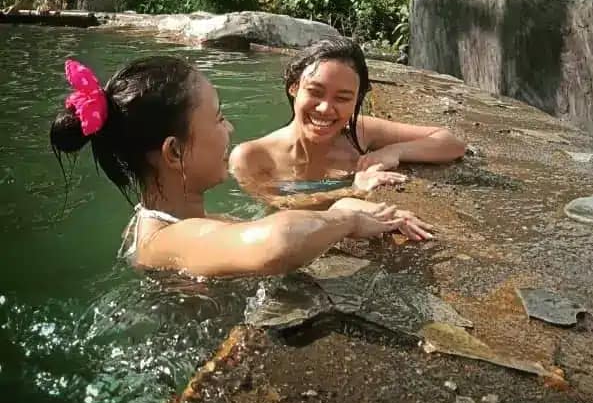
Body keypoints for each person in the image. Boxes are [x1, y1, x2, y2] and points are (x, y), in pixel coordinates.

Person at [50, 55, 433, 278]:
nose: (230, 128)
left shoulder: (169, 221)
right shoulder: (165, 239)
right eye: (218, 119)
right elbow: (279, 242)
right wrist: (344, 216)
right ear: (173, 153)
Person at [229, 38, 464, 234]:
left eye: (342, 98)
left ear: (357, 100)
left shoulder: (360, 134)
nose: (325, 108)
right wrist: (353, 191)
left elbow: (451, 144)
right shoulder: (251, 156)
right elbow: (280, 206)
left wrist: (394, 151)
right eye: (315, 92)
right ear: (294, 88)